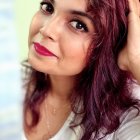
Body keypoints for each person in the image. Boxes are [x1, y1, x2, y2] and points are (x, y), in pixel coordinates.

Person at [22, 0, 140, 139]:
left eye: (78, 25)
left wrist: (136, 60)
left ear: (110, 46)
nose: (46, 30)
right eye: (48, 8)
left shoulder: (123, 118)